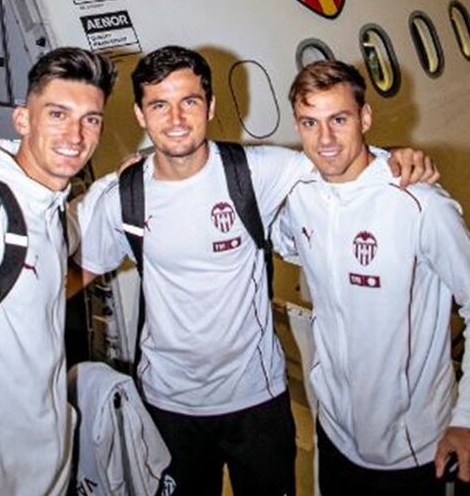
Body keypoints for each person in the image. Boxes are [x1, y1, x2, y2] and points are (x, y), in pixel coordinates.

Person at [73, 46, 436, 496]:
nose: (177, 119)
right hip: (168, 404)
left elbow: (337, 156)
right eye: (159, 105)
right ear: (141, 115)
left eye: (189, 101)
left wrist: (398, 157)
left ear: (211, 106)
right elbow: (79, 272)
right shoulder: (124, 196)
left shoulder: (257, 171)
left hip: (257, 399)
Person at [273, 60, 470, 495]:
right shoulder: (299, 195)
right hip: (337, 433)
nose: (324, 139)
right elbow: (283, 239)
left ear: (364, 118)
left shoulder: (420, 205)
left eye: (338, 120)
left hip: (412, 447)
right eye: (310, 122)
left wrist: (466, 419)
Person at [0, 47, 116, 495]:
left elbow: (42, 292)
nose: (75, 134)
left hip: (46, 471)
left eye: (90, 119)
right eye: (57, 114)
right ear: (22, 120)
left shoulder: (47, 208)